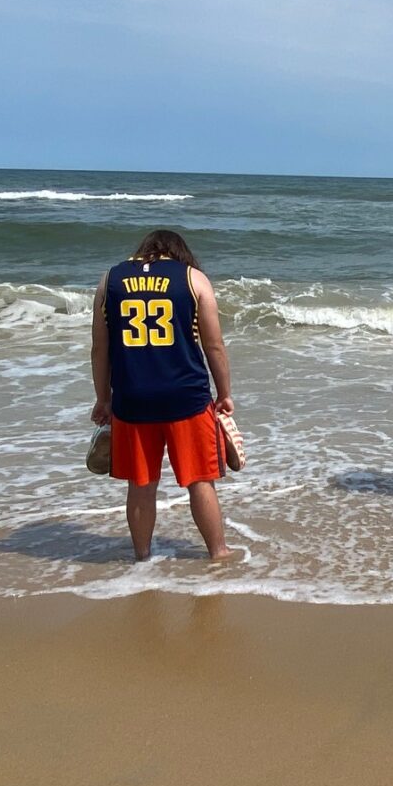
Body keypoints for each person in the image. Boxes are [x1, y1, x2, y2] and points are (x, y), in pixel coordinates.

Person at [90, 230, 235, 561]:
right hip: (187, 398)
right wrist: (224, 393)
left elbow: (100, 349)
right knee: (201, 481)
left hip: (132, 399)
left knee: (141, 485)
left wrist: (103, 398)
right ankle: (219, 553)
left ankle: (142, 557)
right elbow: (214, 345)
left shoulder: (109, 280)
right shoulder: (193, 279)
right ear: (180, 253)